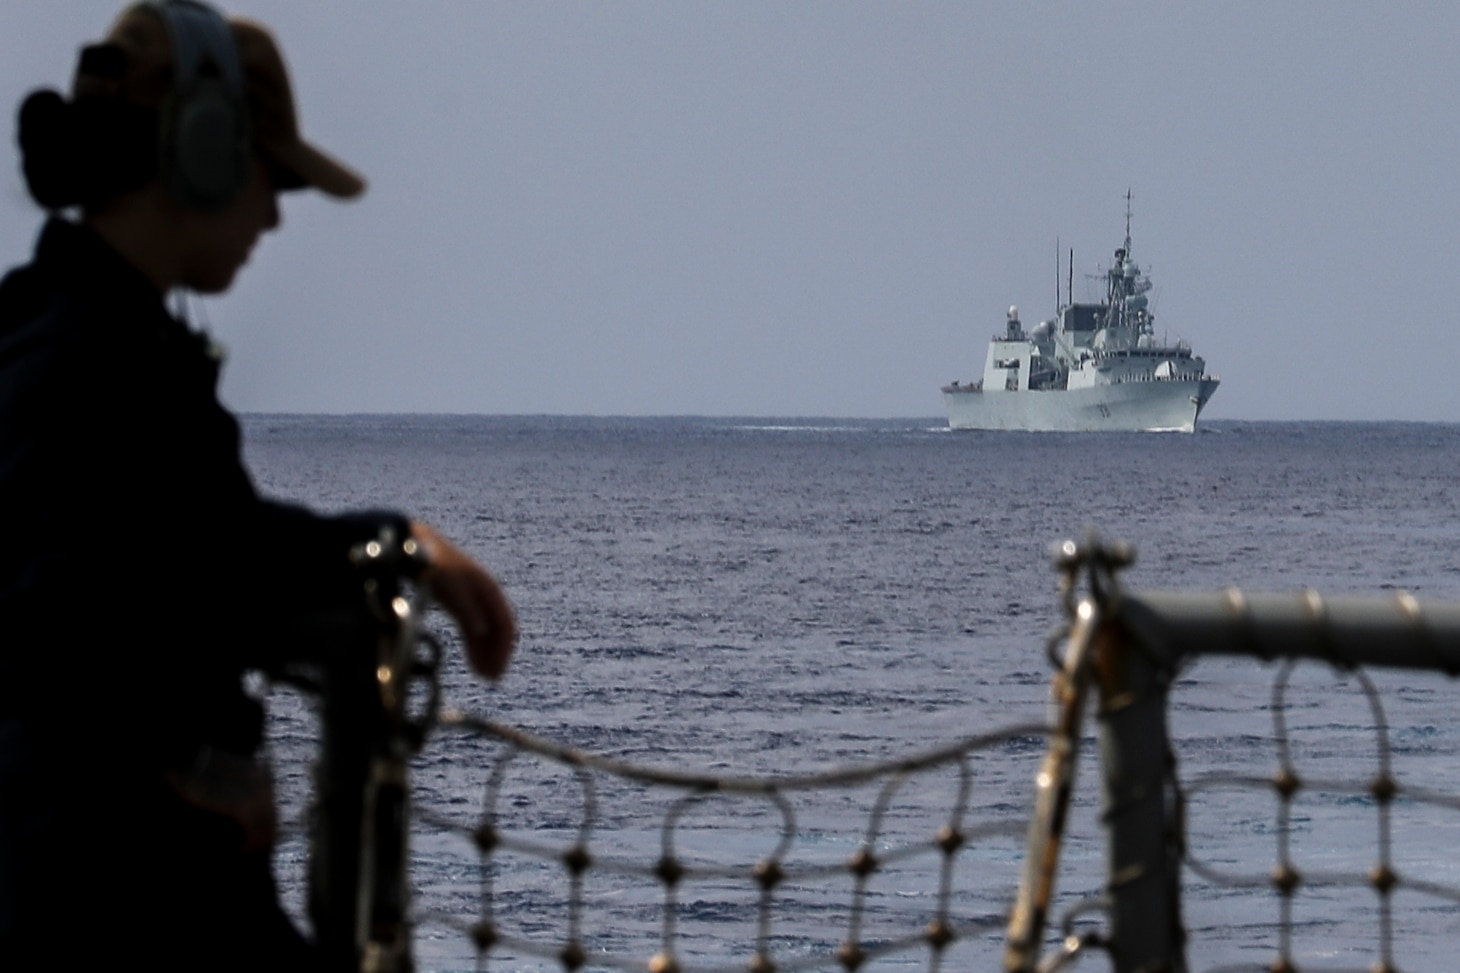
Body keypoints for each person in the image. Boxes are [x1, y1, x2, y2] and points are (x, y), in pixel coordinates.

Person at [0, 2, 516, 968]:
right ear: (203, 152)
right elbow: (96, 605)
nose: (275, 216)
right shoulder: (85, 372)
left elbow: (197, 540)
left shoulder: (85, 351)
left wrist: (388, 541)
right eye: (272, 178)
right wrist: (180, 778)